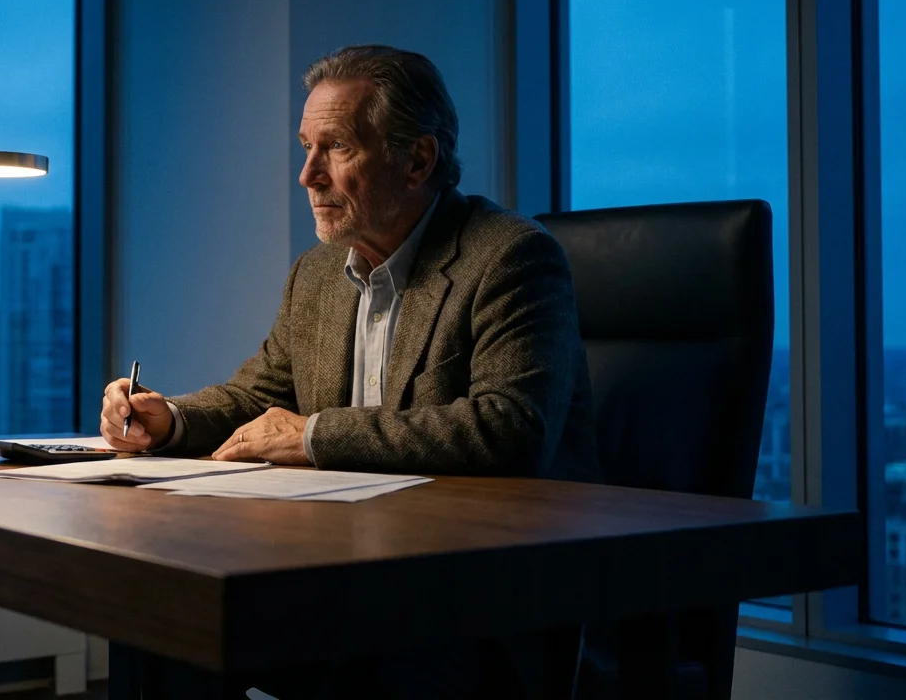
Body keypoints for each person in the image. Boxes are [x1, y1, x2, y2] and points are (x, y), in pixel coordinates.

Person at [99, 44, 600, 486]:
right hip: (352, 530)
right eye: (306, 147)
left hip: (500, 548)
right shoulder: (316, 272)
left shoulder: (509, 255)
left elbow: (510, 427)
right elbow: (260, 399)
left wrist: (314, 434)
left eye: (337, 146)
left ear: (418, 161)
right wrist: (167, 418)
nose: (307, 176)